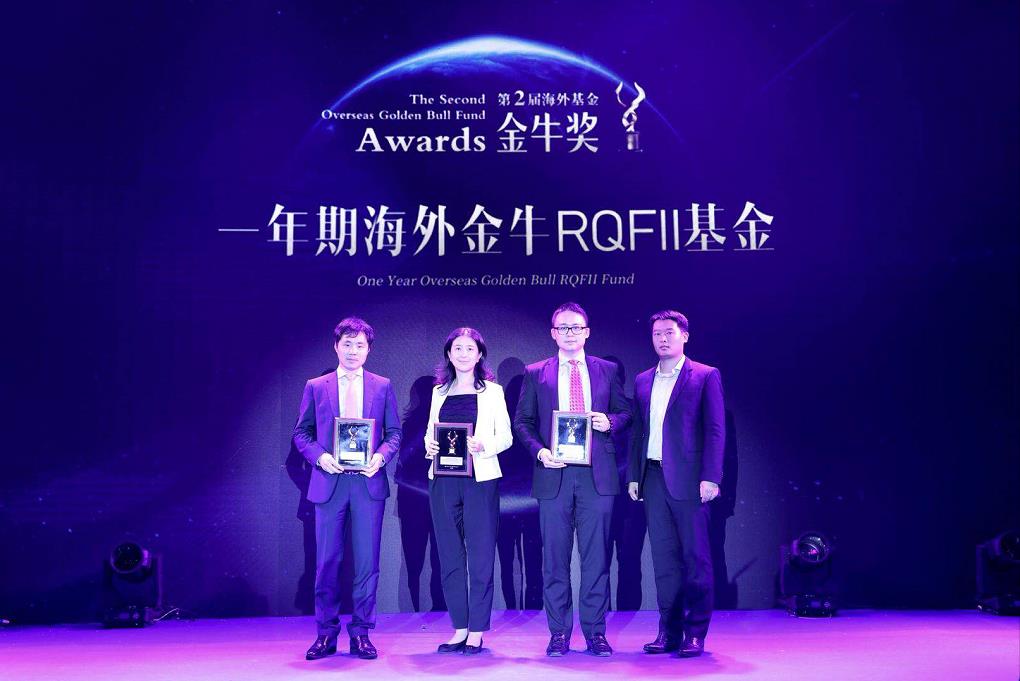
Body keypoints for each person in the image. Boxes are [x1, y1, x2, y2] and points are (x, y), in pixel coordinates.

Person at [514, 302, 632, 657]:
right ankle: (559, 633)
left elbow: (626, 412)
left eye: (576, 327)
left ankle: (595, 632)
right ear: (553, 333)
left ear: (587, 332)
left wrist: (610, 422)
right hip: (554, 474)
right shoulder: (536, 373)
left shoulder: (607, 370)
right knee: (555, 560)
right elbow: (523, 422)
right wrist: (540, 452)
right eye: (563, 328)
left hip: (598, 476)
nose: (570, 333)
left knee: (596, 559)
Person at [293, 317, 402, 661]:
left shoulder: (382, 386)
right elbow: (301, 434)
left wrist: (380, 458)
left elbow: (394, 434)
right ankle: (325, 634)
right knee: (327, 562)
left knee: (367, 563)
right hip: (330, 483)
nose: (353, 351)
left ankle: (362, 633)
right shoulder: (316, 386)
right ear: (336, 346)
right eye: (347, 344)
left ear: (369, 349)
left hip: (368, 484)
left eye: (360, 345)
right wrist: (320, 457)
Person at [627, 310, 724, 658]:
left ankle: (695, 633)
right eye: (657, 333)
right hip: (652, 479)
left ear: (685, 335)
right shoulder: (642, 380)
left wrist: (711, 476)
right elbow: (639, 432)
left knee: (696, 558)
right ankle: (668, 631)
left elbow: (715, 430)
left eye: (669, 332)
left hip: (690, 481)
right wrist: (634, 476)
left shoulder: (705, 375)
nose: (663, 339)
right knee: (664, 561)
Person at [423, 328, 513, 655]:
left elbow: (506, 437)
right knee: (449, 555)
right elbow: (431, 433)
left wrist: (483, 445)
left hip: (481, 480)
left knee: (480, 555)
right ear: (449, 354)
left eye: (470, 348)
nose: (463, 354)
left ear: (479, 355)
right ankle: (459, 627)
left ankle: (476, 630)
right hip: (443, 480)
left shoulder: (493, 392)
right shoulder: (439, 392)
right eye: (457, 348)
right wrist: (430, 445)